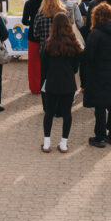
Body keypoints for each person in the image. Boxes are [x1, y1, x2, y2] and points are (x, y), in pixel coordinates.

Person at [81, 3, 111, 147]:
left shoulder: (96, 34)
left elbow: (89, 55)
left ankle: (100, 136)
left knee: (100, 106)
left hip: (99, 73)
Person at [41, 13, 82, 153]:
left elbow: (44, 66)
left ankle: (46, 142)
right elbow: (76, 67)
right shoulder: (74, 44)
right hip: (68, 83)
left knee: (49, 113)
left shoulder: (49, 44)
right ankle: (64, 143)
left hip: (52, 82)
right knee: (67, 113)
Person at [21, 0, 46, 94]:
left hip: (33, 34)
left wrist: (33, 22)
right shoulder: (46, 3)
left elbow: (24, 21)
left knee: (33, 63)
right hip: (46, 34)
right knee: (45, 61)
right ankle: (45, 85)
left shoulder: (29, 3)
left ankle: (35, 88)